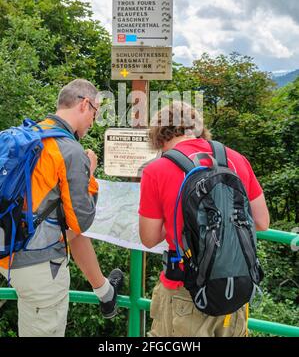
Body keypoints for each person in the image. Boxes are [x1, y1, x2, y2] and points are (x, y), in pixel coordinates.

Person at [0, 79, 124, 337]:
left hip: (8, 251)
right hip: (39, 266)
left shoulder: (29, 135)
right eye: (95, 112)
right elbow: (81, 221)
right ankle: (105, 293)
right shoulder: (68, 149)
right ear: (84, 104)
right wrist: (89, 172)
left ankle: (104, 291)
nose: (93, 121)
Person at [139, 102, 270, 337]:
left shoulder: (157, 169)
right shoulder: (236, 159)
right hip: (235, 288)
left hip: (184, 292)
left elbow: (148, 239)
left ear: (159, 137)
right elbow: (262, 222)